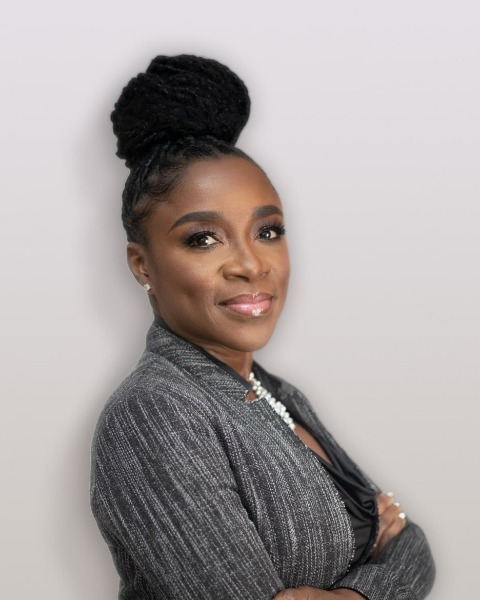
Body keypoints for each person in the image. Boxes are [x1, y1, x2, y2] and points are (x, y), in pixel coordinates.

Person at [90, 54, 435, 600]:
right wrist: (376, 556)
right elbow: (390, 544)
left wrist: (353, 595)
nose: (251, 265)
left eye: (268, 231)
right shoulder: (153, 413)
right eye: (203, 239)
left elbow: (413, 547)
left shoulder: (277, 392)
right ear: (142, 264)